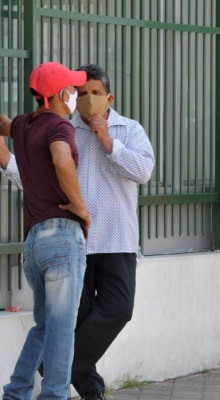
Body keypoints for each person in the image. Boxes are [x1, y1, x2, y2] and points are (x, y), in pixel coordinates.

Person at [0, 64, 155, 399]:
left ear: (109, 97)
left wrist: (109, 141)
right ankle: (89, 388)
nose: (86, 100)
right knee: (75, 320)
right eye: (81, 93)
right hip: (77, 241)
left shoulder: (128, 129)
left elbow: (144, 171)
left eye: (95, 94)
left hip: (116, 239)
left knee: (118, 309)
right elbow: (34, 174)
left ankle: (57, 368)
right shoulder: (61, 128)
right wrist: (6, 160)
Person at [0, 62, 90, 400]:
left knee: (44, 327)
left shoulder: (24, 125)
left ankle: (15, 392)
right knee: (62, 331)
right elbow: (62, 160)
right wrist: (81, 209)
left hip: (34, 242)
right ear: (59, 94)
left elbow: (5, 124)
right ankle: (53, 396)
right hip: (62, 238)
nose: (76, 95)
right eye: (73, 89)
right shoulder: (59, 127)